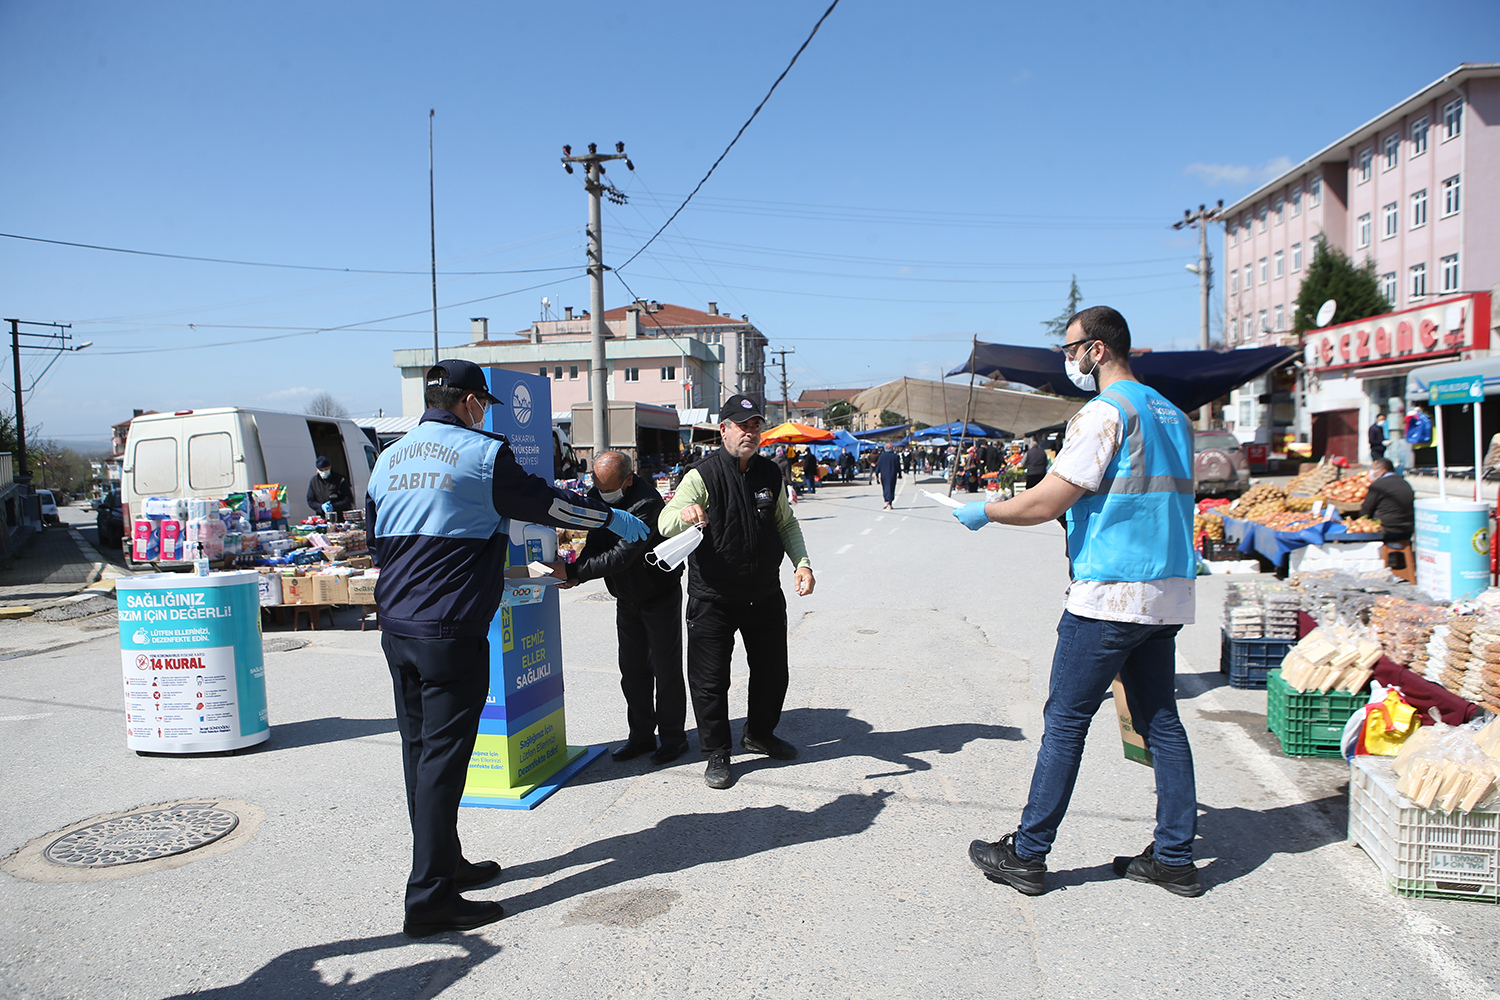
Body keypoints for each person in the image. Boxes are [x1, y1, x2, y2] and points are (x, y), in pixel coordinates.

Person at [367, 359, 650, 937]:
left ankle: (443, 863)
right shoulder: (481, 454)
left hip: (398, 627)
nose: (484, 414)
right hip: (449, 629)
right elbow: (551, 505)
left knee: (420, 756)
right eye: (483, 405)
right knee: (444, 764)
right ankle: (429, 900)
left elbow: (376, 540)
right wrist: (611, 517)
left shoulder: (389, 457)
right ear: (470, 402)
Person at [952, 306, 1202, 898]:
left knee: (1065, 722)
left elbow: (1047, 501)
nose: (1067, 360)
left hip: (1110, 594)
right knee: (1161, 720)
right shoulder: (1173, 415)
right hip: (1166, 592)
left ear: (1096, 350)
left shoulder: (1105, 413)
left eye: (1070, 349)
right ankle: (1174, 856)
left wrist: (984, 511)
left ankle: (1028, 853)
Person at [658, 394, 816, 790]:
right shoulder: (701, 475)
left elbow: (786, 524)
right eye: (742, 425)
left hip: (763, 594)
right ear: (724, 429)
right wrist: (685, 514)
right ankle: (716, 752)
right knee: (711, 681)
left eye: (756, 425)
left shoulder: (770, 473)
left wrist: (803, 563)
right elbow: (664, 522)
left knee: (772, 673)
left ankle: (759, 734)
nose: (750, 432)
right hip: (714, 597)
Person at [563, 451, 688, 766]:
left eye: (607, 488)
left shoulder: (647, 504)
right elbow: (584, 538)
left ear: (628, 480)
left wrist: (576, 574)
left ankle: (674, 738)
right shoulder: (595, 495)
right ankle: (641, 737)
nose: (600, 493)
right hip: (627, 597)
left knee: (666, 670)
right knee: (632, 671)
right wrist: (567, 561)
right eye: (596, 484)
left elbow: (621, 556)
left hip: (659, 594)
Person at [1360, 456, 1416, 558]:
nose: (1372, 472)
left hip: (1387, 530)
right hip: (1407, 530)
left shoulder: (1378, 485)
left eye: (1374, 469)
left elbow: (1366, 510)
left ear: (1382, 470)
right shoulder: (1405, 483)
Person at [307, 455, 355, 520]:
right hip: (322, 518)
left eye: (326, 469)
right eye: (321, 470)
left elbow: (348, 498)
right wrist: (320, 507)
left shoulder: (339, 479)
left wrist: (334, 506)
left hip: (340, 517)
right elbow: (310, 500)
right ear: (317, 470)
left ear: (330, 467)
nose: (324, 472)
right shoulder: (314, 481)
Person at [875, 442, 901, 509]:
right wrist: (899, 474)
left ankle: (886, 500)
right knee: (891, 488)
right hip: (892, 474)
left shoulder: (882, 456)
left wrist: (876, 473)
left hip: (884, 475)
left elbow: (879, 465)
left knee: (885, 487)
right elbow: (898, 466)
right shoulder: (895, 456)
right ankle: (889, 502)